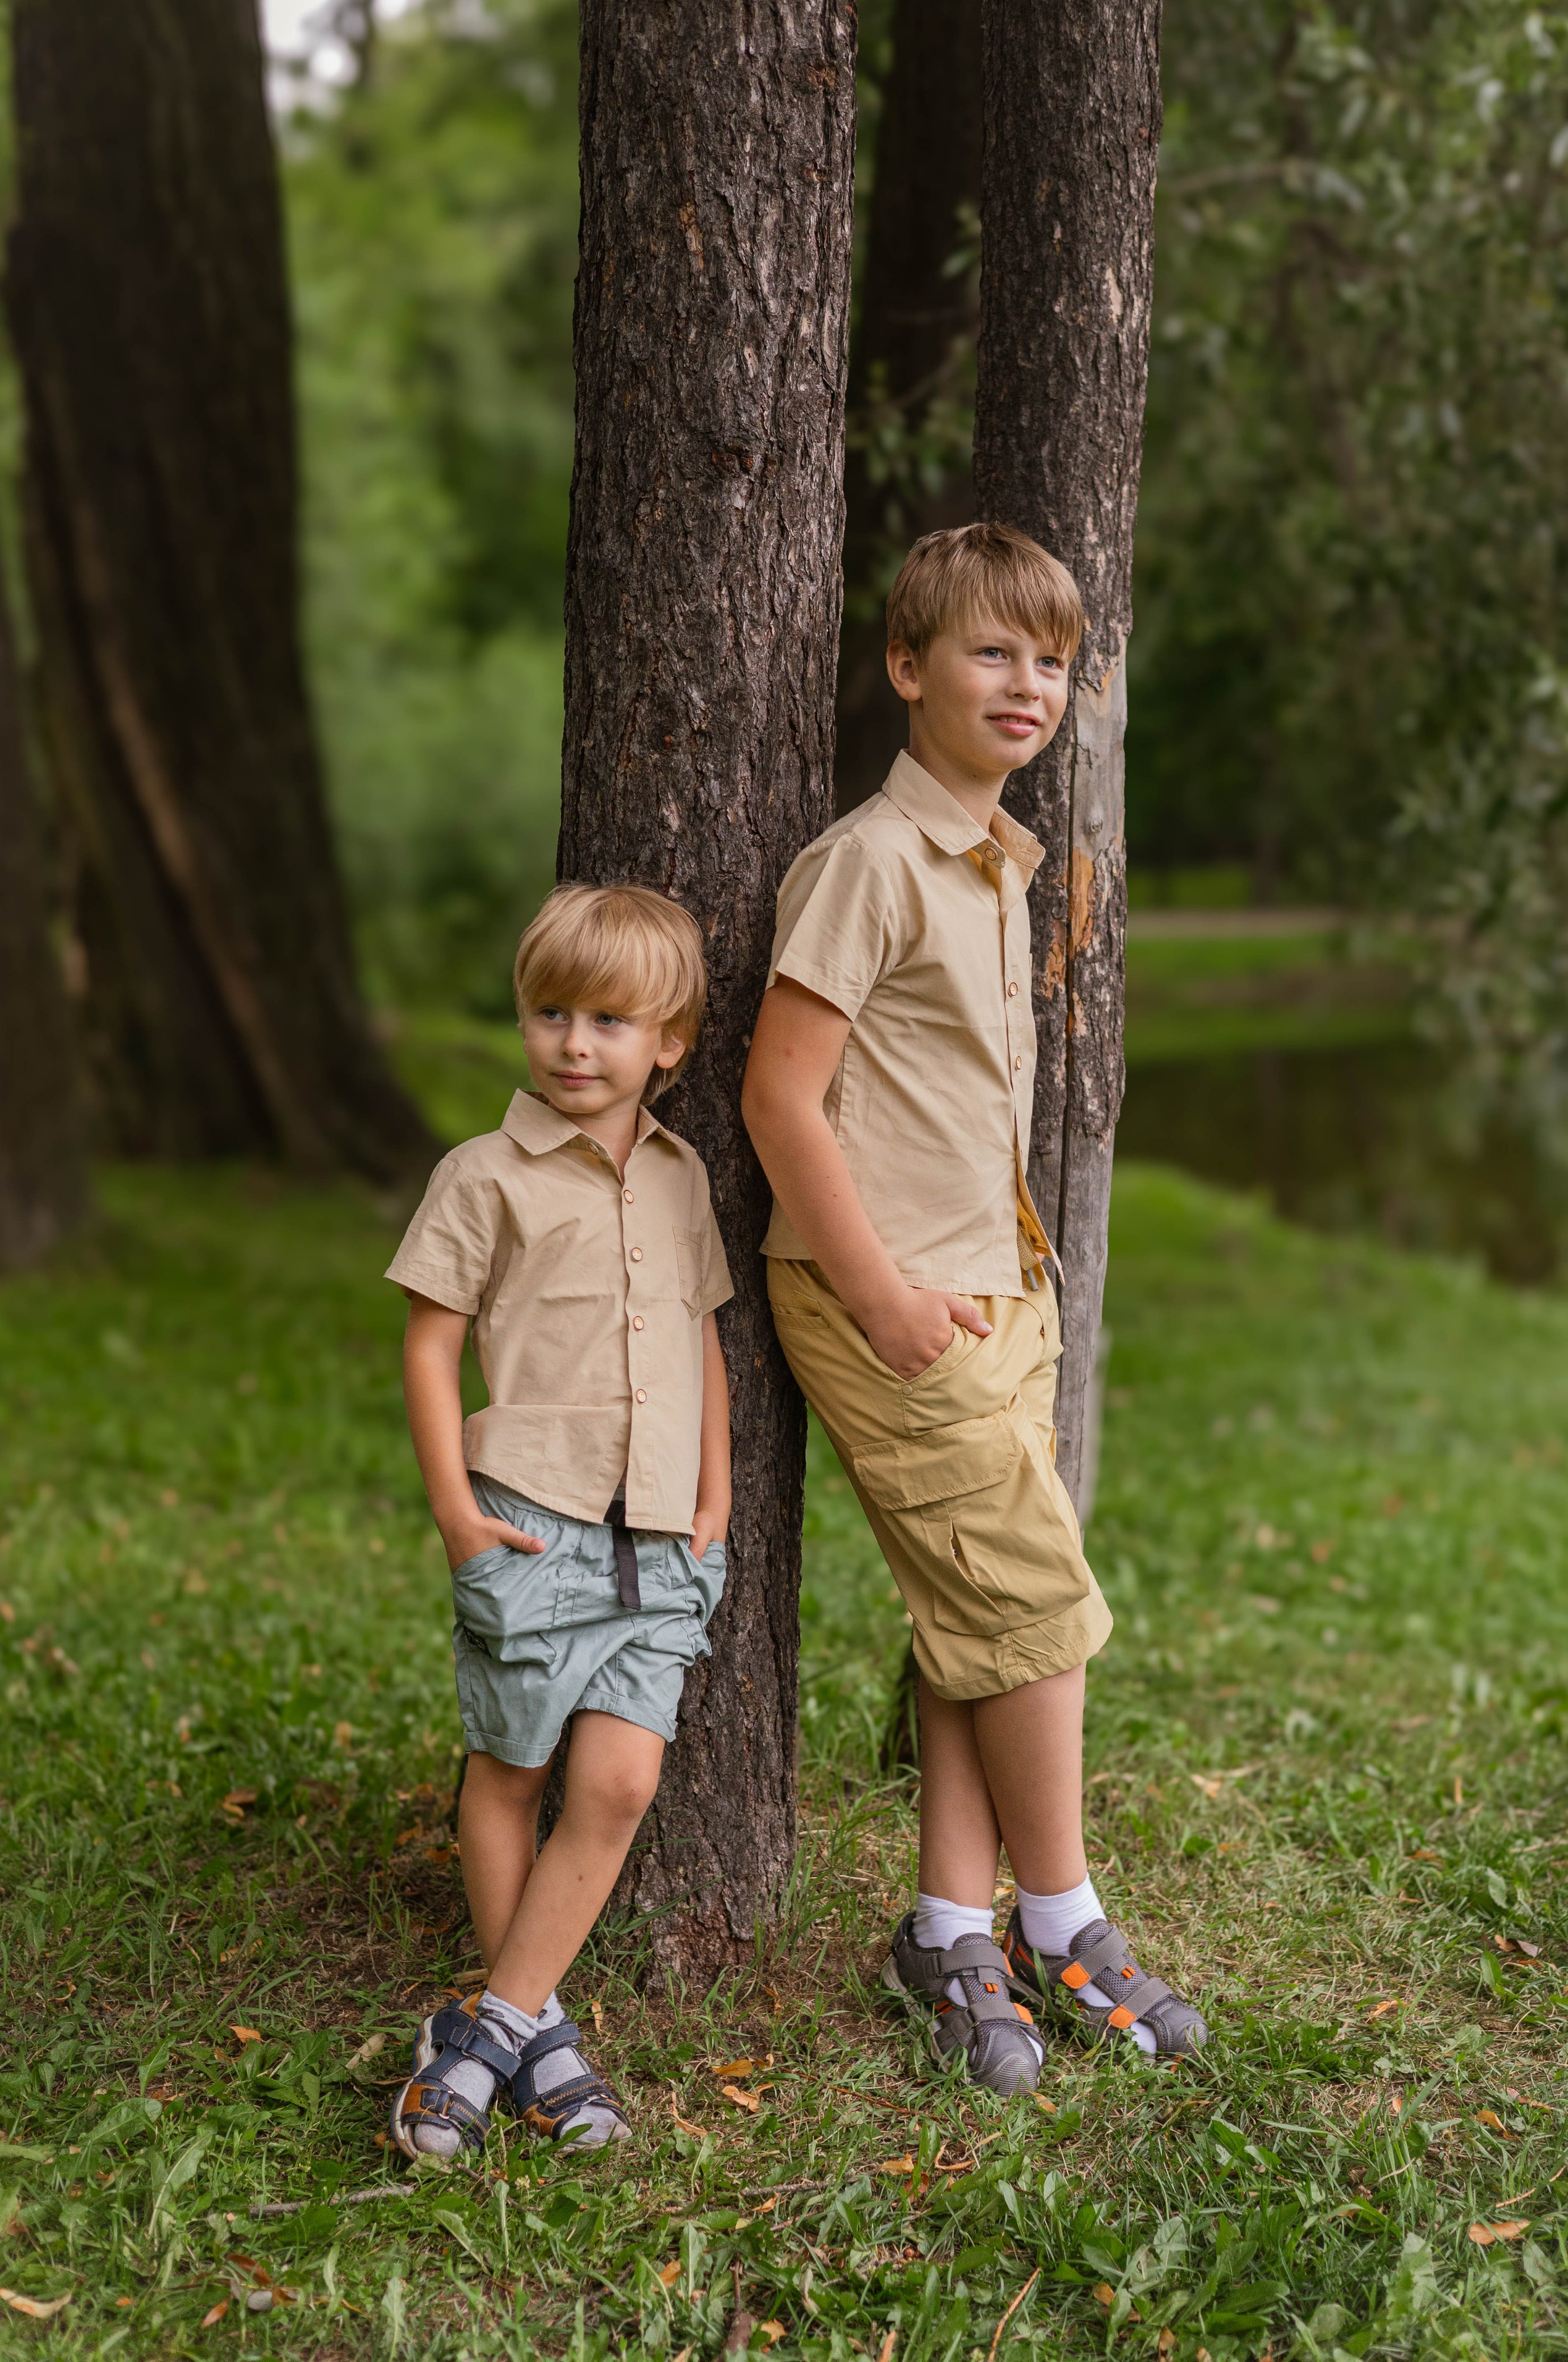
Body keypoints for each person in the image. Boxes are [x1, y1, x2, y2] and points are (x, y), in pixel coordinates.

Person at [742, 522, 1207, 2090]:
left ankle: (950, 1925)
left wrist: (1000, 1282)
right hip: (888, 1298)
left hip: (998, 1286)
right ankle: (1064, 1918)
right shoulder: (866, 862)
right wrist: (878, 1298)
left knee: (975, 1619)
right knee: (1033, 1601)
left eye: (1052, 661)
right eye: (990, 651)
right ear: (906, 667)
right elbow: (779, 1099)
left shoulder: (998, 861)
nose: (1027, 684)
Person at [384, 883, 733, 2155]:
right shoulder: (482, 1175)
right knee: (513, 1771)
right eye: (548, 1013)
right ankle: (537, 2041)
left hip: (659, 1536)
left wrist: (715, 1491)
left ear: (668, 1044)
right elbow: (429, 1349)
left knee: (621, 1778)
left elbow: (700, 1333)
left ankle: (479, 2035)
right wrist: (455, 1516)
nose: (573, 1044)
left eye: (607, 1019)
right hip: (529, 1515)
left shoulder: (684, 1175)